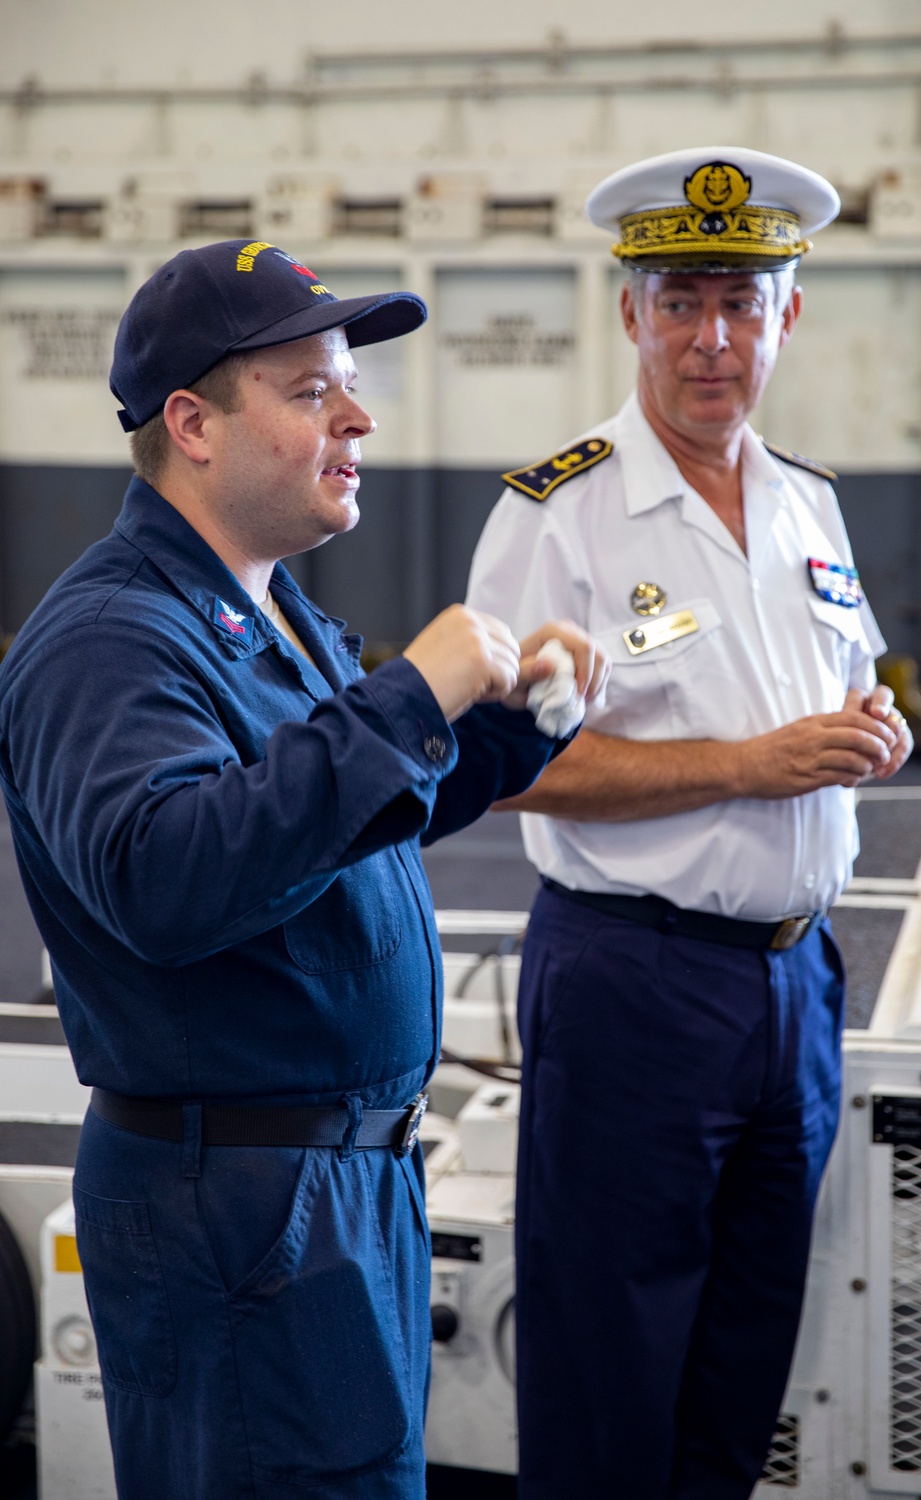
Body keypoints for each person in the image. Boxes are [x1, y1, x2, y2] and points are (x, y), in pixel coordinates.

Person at [0, 239, 607, 1500]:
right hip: (237, 1206)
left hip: (330, 1190)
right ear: (193, 425)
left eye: (347, 384)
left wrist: (501, 727)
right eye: (309, 387)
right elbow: (171, 879)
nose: (359, 415)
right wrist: (405, 698)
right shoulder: (112, 640)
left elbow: (324, 830)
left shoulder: (263, 609)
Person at [466, 147, 914, 1500]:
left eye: (742, 302)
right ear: (631, 318)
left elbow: (845, 688)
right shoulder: (558, 514)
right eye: (680, 303)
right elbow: (511, 771)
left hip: (795, 984)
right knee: (611, 1374)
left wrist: (867, 728)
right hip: (637, 984)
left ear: (786, 317)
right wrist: (754, 764)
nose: (711, 340)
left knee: (740, 1368)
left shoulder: (809, 503)